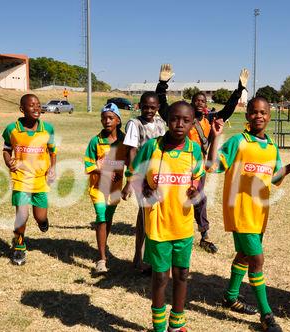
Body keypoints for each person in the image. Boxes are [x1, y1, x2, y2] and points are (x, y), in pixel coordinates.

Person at [206, 96, 290, 332]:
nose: (259, 116)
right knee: (257, 259)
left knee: (245, 255)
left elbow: (275, 178)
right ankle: (266, 316)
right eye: (254, 112)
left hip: (260, 212)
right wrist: (215, 137)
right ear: (247, 116)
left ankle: (230, 296)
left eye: (263, 112)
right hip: (240, 210)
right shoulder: (238, 142)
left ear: (269, 115)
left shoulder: (272, 146)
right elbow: (213, 165)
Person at [130, 100, 204, 332]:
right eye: (174, 119)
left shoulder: (195, 149)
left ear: (193, 123)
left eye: (185, 120)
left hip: (182, 223)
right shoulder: (152, 147)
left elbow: (199, 178)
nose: (179, 124)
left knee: (182, 274)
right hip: (158, 225)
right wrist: (144, 190)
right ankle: (159, 327)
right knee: (161, 277)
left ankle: (177, 324)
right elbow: (135, 174)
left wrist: (196, 190)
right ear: (166, 120)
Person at [158, 68, 249, 254]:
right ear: (192, 103)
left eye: (203, 101)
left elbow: (229, 108)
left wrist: (240, 88)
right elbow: (163, 108)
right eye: (197, 100)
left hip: (197, 165)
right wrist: (162, 84)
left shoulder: (210, 118)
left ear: (206, 104)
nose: (200, 103)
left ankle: (204, 234)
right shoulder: (183, 119)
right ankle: (170, 229)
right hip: (177, 162)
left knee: (198, 196)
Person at [121, 64, 170, 275]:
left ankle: (147, 258)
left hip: (159, 176)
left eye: (153, 107)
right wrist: (131, 180)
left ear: (158, 107)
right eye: (146, 107)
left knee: (154, 216)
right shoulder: (135, 124)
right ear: (140, 106)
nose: (149, 111)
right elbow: (131, 151)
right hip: (143, 177)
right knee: (144, 217)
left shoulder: (160, 122)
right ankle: (140, 258)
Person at [2, 94, 56, 266]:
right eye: (31, 105)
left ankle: (43, 222)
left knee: (40, 217)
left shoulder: (48, 128)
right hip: (21, 179)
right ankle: (19, 248)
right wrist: (8, 161)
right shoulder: (12, 129)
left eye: (38, 105)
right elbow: (6, 149)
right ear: (22, 109)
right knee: (22, 215)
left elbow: (52, 151)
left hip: (40, 179)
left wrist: (52, 168)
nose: (36, 108)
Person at [84, 103, 128, 274]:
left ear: (118, 120)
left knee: (108, 219)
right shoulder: (96, 141)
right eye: (103, 118)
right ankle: (101, 259)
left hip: (115, 189)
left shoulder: (125, 141)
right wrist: (103, 170)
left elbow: (130, 161)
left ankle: (103, 244)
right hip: (98, 188)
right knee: (101, 217)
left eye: (110, 118)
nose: (106, 121)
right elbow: (88, 162)